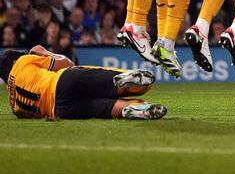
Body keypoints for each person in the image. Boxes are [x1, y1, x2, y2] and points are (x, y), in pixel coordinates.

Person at [2, 45, 165, 120]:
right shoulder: (23, 61)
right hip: (62, 81)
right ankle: (126, 81)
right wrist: (45, 52)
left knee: (106, 109)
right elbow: (67, 64)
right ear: (15, 59)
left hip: (61, 110)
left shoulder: (14, 107)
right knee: (114, 84)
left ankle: (132, 109)